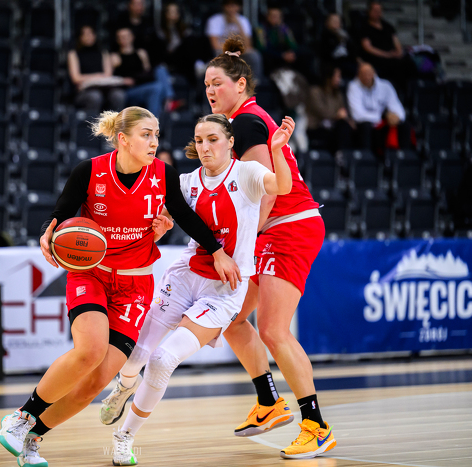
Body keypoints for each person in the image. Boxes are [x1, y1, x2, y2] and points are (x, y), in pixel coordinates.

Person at [0, 106, 241, 467]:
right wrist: (49, 232)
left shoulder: (163, 174)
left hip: (135, 284)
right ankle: (21, 417)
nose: (154, 142)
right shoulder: (90, 171)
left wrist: (217, 251)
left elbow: (186, 217)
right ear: (123, 139)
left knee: (97, 381)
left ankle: (33, 438)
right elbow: (62, 212)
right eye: (146, 134)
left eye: (156, 134)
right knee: (90, 351)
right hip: (92, 273)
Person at [105, 113, 294, 465]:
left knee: (162, 360)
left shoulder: (247, 173)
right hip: (185, 276)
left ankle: (124, 436)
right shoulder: (186, 181)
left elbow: (282, 187)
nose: (205, 147)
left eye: (213, 139)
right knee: (137, 353)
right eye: (200, 140)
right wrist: (160, 225)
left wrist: (278, 150)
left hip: (224, 289)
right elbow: (160, 216)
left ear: (230, 142)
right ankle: (124, 386)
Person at [207, 36, 333, 459]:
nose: (210, 91)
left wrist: (243, 243)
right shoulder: (240, 120)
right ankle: (269, 401)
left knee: (274, 330)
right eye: (206, 85)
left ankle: (316, 427)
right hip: (273, 230)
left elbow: (268, 191)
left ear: (240, 84)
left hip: (288, 226)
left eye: (218, 83)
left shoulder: (245, 122)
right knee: (231, 319)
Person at [347, 62, 410, 156]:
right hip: (364, 124)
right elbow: (357, 115)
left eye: (368, 74)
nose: (366, 77)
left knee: (404, 125)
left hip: (381, 124)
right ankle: (367, 158)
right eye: (363, 74)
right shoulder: (353, 86)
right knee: (365, 126)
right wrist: (381, 117)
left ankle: (403, 157)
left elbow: (397, 107)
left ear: (374, 73)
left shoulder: (385, 86)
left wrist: (396, 116)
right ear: (358, 75)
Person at [112, 28, 175, 116]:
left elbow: (147, 73)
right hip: (129, 90)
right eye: (121, 37)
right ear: (117, 40)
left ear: (132, 37)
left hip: (142, 84)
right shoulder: (115, 57)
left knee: (161, 70)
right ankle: (159, 114)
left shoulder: (141, 53)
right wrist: (123, 80)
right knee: (156, 88)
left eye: (126, 36)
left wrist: (137, 78)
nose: (124, 39)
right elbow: (111, 77)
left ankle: (168, 100)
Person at [67, 25, 126, 114]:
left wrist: (95, 78)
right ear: (80, 37)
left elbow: (108, 74)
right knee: (95, 96)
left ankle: (116, 122)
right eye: (85, 34)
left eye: (91, 34)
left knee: (118, 95)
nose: (89, 37)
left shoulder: (103, 53)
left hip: (104, 88)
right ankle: (92, 122)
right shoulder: (73, 54)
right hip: (84, 91)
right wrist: (97, 76)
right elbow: (76, 78)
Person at [359, 0, 412, 91]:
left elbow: (396, 43)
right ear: (369, 11)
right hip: (376, 58)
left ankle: (409, 92)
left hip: (392, 56)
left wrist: (398, 53)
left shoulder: (388, 26)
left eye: (379, 10)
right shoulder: (364, 27)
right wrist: (387, 55)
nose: (378, 13)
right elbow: (367, 47)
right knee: (395, 66)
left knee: (408, 63)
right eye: (375, 10)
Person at [206, 0, 263, 82]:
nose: (231, 9)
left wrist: (238, 24)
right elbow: (215, 45)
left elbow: (248, 45)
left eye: (234, 5)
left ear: (239, 7)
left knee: (253, 55)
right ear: (224, 7)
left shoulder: (243, 21)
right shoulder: (214, 20)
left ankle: (254, 82)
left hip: (240, 52)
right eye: (228, 5)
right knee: (221, 55)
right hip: (222, 51)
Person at [254, 7, 312, 80]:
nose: (275, 19)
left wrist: (291, 53)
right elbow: (262, 49)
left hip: (283, 54)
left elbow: (293, 45)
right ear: (267, 17)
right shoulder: (261, 29)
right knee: (265, 57)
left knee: (305, 53)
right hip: (271, 55)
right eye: (273, 16)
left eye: (278, 16)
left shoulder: (283, 28)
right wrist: (282, 55)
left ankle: (307, 81)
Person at [306, 65, 355, 152]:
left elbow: (343, 111)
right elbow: (322, 112)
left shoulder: (338, 94)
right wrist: (337, 115)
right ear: (328, 77)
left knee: (345, 126)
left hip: (333, 127)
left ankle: (345, 155)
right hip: (317, 127)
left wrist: (346, 118)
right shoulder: (315, 92)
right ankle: (341, 154)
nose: (339, 79)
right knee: (341, 129)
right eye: (337, 76)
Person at [320, 13, 357, 80]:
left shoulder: (345, 34)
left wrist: (347, 39)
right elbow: (326, 54)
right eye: (334, 21)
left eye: (338, 21)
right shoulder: (325, 36)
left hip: (347, 61)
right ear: (327, 23)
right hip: (333, 62)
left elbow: (353, 50)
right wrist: (337, 40)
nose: (336, 23)